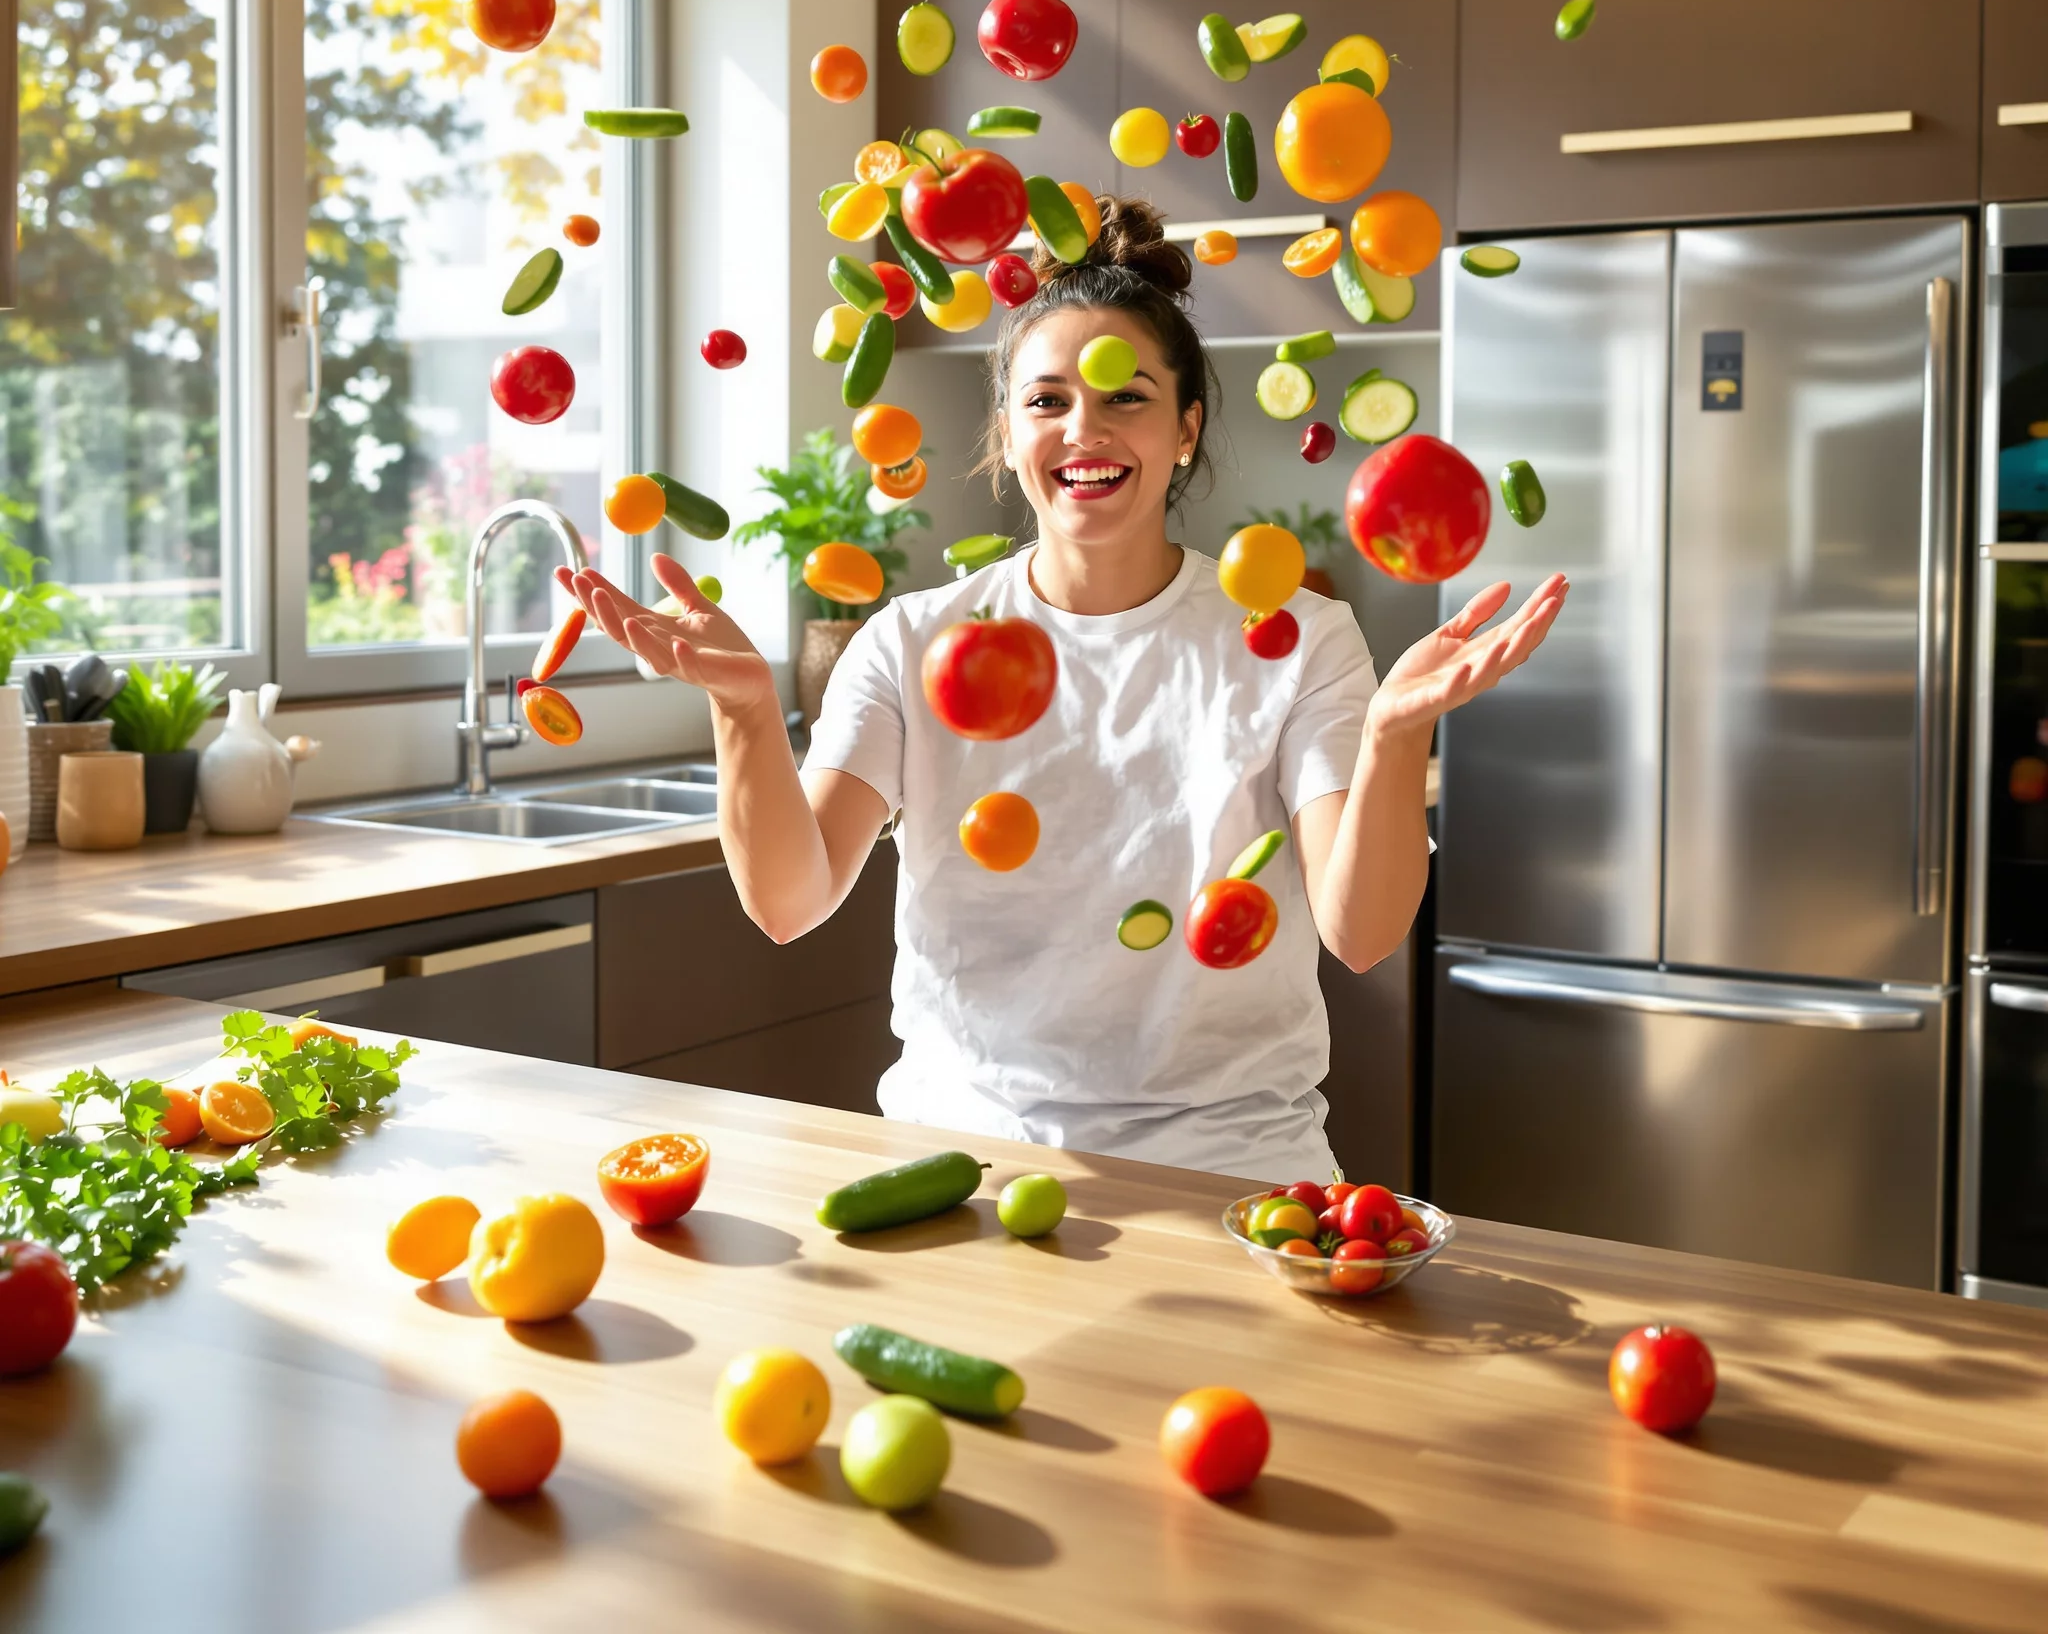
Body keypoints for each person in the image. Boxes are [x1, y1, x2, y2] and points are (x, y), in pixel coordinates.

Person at [561, 197, 1566, 1182]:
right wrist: (742, 710)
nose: (1083, 429)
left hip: (1230, 1162)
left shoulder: (1299, 636)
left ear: (1185, 426)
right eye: (1047, 400)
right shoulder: (910, 638)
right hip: (960, 1154)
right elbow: (788, 900)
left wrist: (1394, 735)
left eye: (1125, 396)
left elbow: (1360, 931)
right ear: (1006, 431)